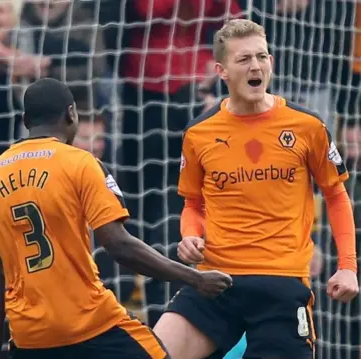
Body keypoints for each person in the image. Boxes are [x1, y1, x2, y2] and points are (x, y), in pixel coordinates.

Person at [0, 77, 233, 359]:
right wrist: (194, 278)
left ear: (25, 120)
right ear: (71, 114)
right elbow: (118, 245)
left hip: (29, 337)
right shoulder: (80, 163)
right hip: (89, 323)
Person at [153, 19, 359, 359]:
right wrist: (189, 235)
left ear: (271, 62)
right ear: (221, 70)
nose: (255, 66)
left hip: (280, 282)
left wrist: (348, 265)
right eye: (244, 59)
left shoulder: (307, 126)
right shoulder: (199, 133)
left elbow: (336, 196)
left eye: (262, 57)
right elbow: (193, 203)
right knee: (153, 353)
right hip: (214, 279)